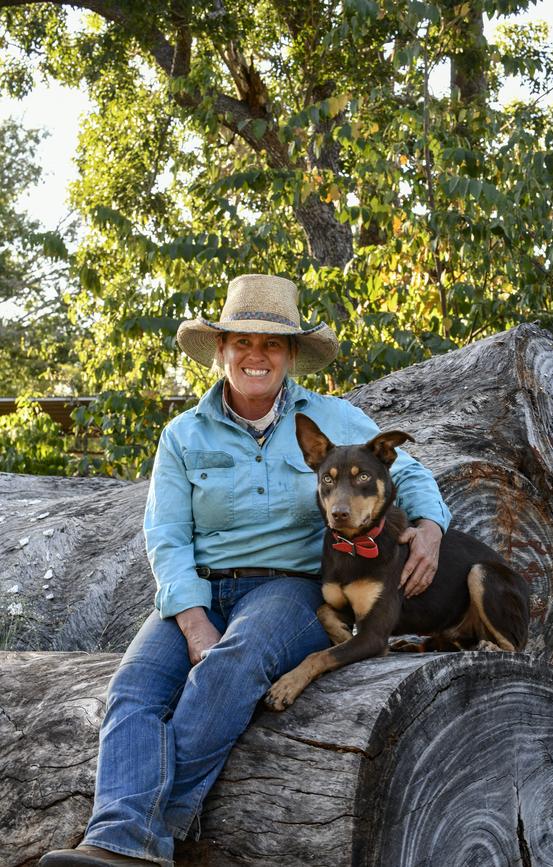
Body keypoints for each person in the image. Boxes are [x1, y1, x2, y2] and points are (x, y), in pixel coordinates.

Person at [39, 273, 452, 867]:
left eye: (272, 344)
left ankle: (131, 845)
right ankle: (121, 844)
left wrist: (431, 530)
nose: (257, 356)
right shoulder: (182, 435)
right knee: (133, 692)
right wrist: (192, 619)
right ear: (222, 351)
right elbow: (167, 535)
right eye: (243, 343)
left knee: (231, 667)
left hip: (287, 590)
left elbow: (408, 473)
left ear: (289, 356)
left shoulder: (329, 419)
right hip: (198, 590)